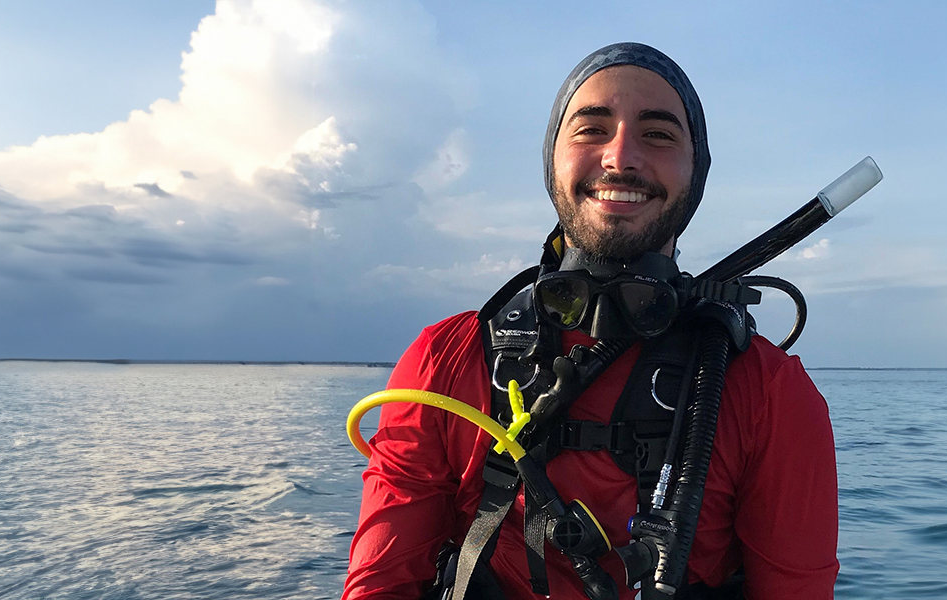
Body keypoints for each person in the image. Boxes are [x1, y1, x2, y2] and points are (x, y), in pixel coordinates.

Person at [344, 43, 839, 600]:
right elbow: (379, 586)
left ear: (696, 171)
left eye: (658, 134)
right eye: (590, 129)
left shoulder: (770, 392)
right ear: (551, 158)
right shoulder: (447, 359)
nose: (621, 157)